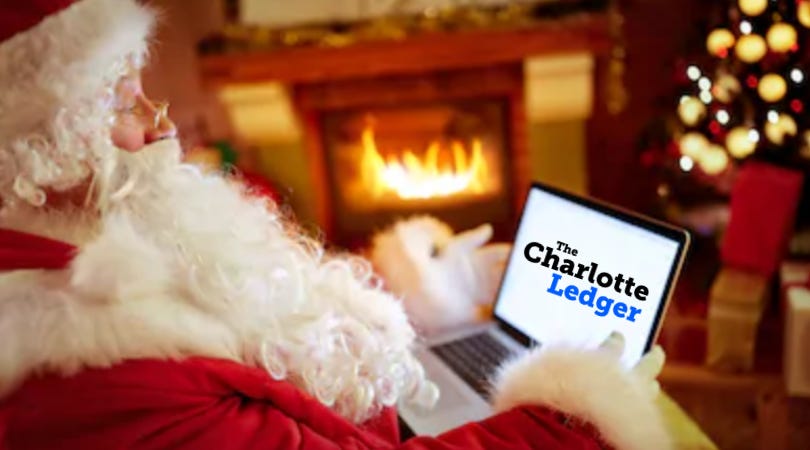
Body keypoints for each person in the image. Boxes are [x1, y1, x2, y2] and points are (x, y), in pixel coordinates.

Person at [0, 1, 672, 449]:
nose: (162, 120)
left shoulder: (89, 241)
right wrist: (573, 420)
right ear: (37, 140)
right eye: (121, 99)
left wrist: (422, 291)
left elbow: (256, 322)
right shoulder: (84, 370)